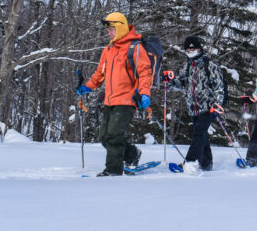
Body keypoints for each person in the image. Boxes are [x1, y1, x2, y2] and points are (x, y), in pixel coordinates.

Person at [77, 12, 152, 176]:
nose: (109, 33)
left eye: (111, 29)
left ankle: (113, 170)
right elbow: (100, 73)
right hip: (110, 100)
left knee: (113, 135)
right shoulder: (109, 50)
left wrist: (145, 94)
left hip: (127, 99)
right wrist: (87, 87)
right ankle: (132, 154)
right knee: (104, 137)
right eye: (108, 30)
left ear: (120, 27)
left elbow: (145, 73)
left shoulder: (135, 48)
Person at [164, 35, 225, 173]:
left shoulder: (210, 65)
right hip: (193, 107)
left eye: (192, 49)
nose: (190, 52)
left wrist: (217, 104)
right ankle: (206, 164)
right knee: (202, 135)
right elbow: (182, 83)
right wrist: (170, 82)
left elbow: (219, 87)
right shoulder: (187, 66)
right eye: (187, 50)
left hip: (208, 106)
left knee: (198, 134)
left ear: (199, 49)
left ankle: (189, 162)